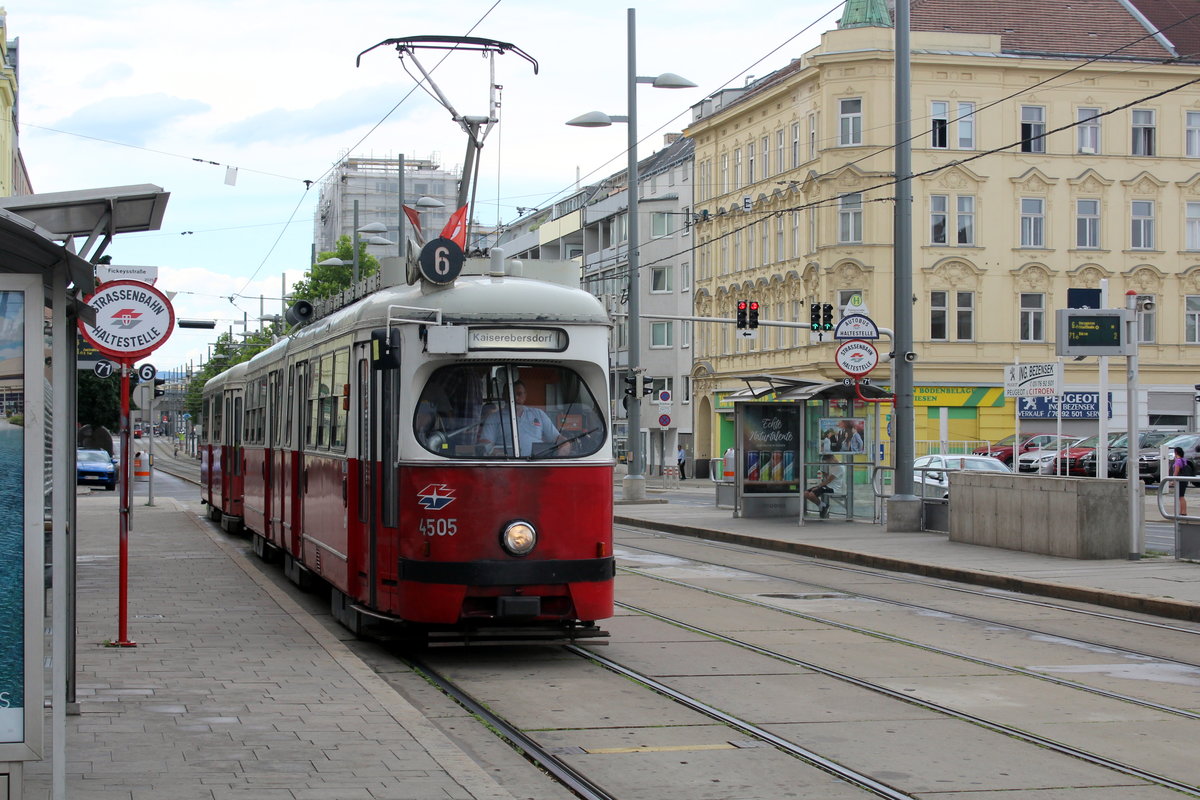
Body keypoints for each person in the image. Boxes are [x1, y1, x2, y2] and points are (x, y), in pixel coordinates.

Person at [480, 380, 567, 457]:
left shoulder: (538, 414)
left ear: (525, 395)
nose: (515, 398)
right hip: (506, 465)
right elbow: (485, 443)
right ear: (503, 396)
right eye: (510, 394)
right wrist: (499, 454)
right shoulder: (494, 418)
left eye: (519, 394)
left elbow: (557, 437)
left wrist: (565, 444)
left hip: (537, 464)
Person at [805, 453, 845, 518]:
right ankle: (823, 506)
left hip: (833, 488)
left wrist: (818, 486)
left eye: (828, 461)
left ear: (832, 458)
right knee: (806, 493)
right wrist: (824, 473)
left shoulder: (840, 467)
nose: (828, 463)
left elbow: (828, 480)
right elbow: (827, 477)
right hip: (826, 486)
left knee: (812, 494)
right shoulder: (832, 465)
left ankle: (823, 507)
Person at [1172, 446, 1190, 517]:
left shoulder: (1178, 461)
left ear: (1176, 452)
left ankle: (1183, 512)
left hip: (1180, 480)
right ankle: (1182, 511)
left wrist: (1173, 480)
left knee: (1181, 496)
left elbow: (1176, 472)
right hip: (1184, 480)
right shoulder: (1184, 460)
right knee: (1181, 496)